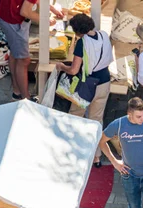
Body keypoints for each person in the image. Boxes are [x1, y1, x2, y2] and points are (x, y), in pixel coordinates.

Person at [57, 13, 114, 168]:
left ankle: (71, 150)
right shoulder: (103, 35)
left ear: (77, 31)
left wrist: (62, 66)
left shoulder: (82, 43)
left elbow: (74, 70)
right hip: (105, 82)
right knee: (96, 120)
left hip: (86, 85)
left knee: (75, 116)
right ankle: (96, 156)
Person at [0, 0, 63, 101]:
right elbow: (25, 12)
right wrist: (46, 20)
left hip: (8, 16)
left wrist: (52, 9)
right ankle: (25, 98)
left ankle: (17, 92)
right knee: (24, 60)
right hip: (14, 21)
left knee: (15, 54)